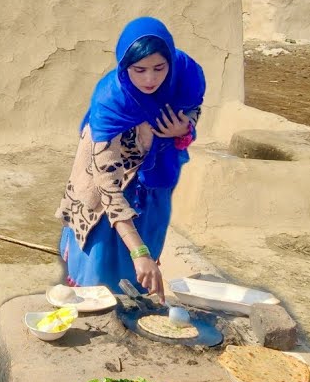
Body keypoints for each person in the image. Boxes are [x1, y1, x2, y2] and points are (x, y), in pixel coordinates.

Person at [56, 17, 206, 300]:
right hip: (106, 189)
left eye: (159, 68)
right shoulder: (111, 104)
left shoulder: (185, 75)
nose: (150, 79)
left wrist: (184, 128)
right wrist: (139, 252)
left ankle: (132, 301)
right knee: (103, 266)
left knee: (142, 259)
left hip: (153, 182)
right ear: (125, 67)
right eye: (139, 70)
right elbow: (107, 188)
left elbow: (192, 107)